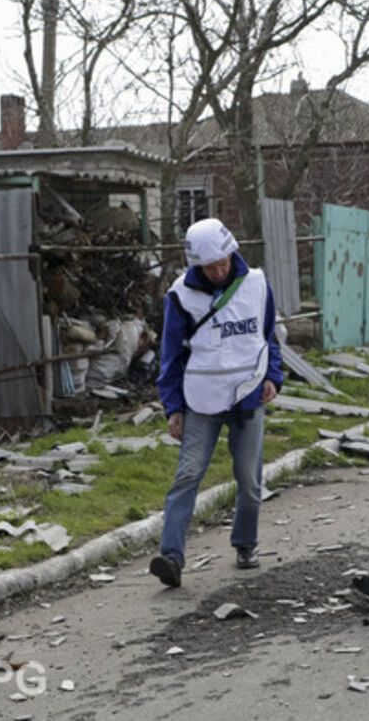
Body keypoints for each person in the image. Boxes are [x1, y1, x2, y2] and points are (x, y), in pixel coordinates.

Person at [149, 217, 284, 588]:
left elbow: (268, 333)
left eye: (223, 262)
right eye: (211, 267)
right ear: (197, 265)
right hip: (201, 400)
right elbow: (170, 357)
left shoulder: (255, 283)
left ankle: (245, 545)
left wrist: (273, 376)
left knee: (249, 481)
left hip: (248, 395)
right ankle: (171, 556)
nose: (219, 271)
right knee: (188, 474)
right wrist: (173, 408)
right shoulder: (181, 296)